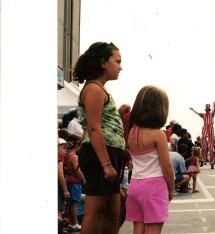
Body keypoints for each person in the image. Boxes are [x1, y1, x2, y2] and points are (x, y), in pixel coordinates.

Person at [73, 42, 126, 234]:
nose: (120, 67)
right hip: (100, 155)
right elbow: (94, 129)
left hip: (107, 152)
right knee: (95, 211)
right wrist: (106, 164)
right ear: (104, 62)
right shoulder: (94, 89)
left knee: (113, 208)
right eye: (117, 61)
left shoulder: (99, 89)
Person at [126, 85, 175, 234]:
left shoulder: (132, 133)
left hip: (135, 184)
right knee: (153, 230)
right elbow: (167, 167)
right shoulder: (158, 135)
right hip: (155, 186)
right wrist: (171, 188)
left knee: (138, 228)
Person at [64, 133, 86, 232]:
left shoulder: (67, 155)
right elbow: (77, 170)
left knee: (70, 203)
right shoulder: (74, 157)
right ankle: (74, 223)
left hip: (69, 181)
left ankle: (69, 221)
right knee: (75, 203)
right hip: (75, 182)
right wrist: (84, 180)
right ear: (77, 144)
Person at [189, 99, 215, 169]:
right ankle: (202, 160)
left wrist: (214, 104)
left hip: (211, 126)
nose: (207, 111)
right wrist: (193, 110)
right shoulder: (204, 115)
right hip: (205, 126)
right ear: (206, 110)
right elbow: (198, 113)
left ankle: (212, 163)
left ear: (209, 110)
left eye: (208, 110)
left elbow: (214, 110)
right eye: (207, 110)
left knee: (211, 148)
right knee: (203, 146)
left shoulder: (212, 114)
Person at [58, 138, 70, 234]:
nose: (66, 150)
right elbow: (61, 176)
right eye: (64, 148)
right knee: (59, 210)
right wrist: (65, 190)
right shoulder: (59, 161)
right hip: (58, 189)